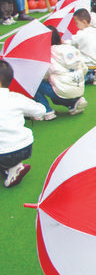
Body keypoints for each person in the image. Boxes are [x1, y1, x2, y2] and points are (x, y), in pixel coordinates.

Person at [0, 60, 44, 188]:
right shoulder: (16, 98)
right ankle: (10, 166)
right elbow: (41, 110)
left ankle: (12, 166)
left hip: (5, 151)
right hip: (25, 147)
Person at [33, 26, 88, 120]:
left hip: (63, 91)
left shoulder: (49, 54)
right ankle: (73, 103)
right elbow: (85, 69)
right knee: (58, 92)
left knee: (34, 83)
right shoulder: (70, 48)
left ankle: (47, 111)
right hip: (79, 87)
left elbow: (43, 75)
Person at [71, 8, 96, 85]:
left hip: (86, 65)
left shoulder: (80, 34)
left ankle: (92, 76)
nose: (76, 25)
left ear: (84, 22)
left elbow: (70, 43)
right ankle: (95, 72)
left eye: (76, 23)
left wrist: (62, 42)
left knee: (72, 79)